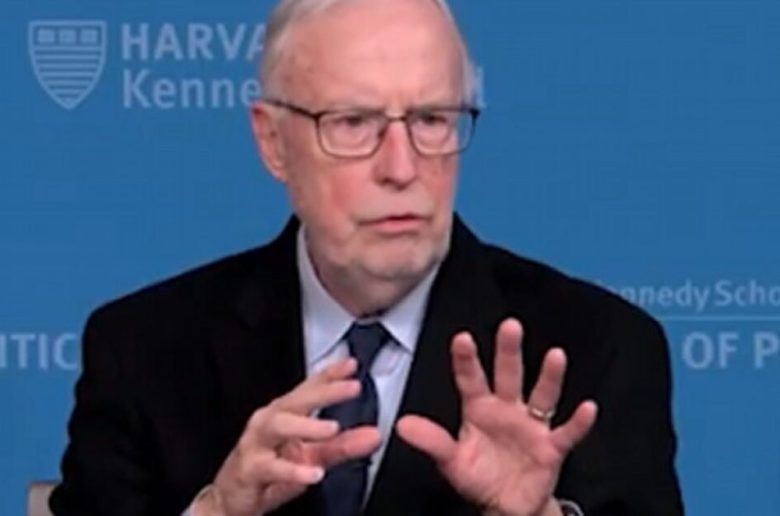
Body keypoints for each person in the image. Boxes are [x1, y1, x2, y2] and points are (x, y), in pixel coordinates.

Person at [50, 0, 685, 515]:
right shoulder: (143, 350)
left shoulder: (598, 348)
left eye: (431, 119)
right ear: (273, 141)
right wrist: (217, 512)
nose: (402, 168)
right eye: (353, 123)